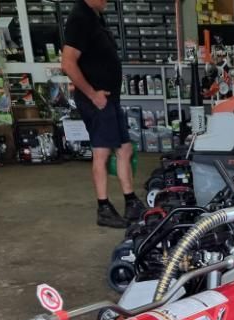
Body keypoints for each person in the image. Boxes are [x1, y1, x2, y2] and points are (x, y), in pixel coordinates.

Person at [61, 0, 145, 228]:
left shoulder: (95, 15)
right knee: (102, 153)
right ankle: (104, 208)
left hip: (109, 99)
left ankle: (131, 202)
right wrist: (91, 94)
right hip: (97, 100)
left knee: (125, 148)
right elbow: (68, 63)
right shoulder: (80, 17)